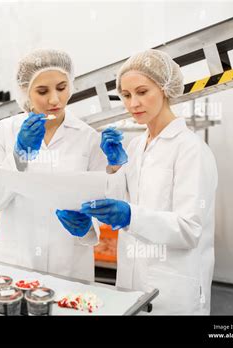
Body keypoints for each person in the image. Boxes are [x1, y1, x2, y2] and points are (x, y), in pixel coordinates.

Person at [58, 49, 218, 314]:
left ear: (165, 89)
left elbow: (190, 230)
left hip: (173, 290)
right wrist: (89, 222)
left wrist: (130, 215)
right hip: (131, 284)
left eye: (142, 92)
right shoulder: (134, 147)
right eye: (126, 95)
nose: (133, 103)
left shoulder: (191, 150)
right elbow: (122, 208)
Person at [0, 49, 107, 281]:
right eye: (43, 91)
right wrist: (18, 155)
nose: (54, 99)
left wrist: (87, 226)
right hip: (16, 263)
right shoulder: (5, 132)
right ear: (25, 92)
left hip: (69, 264)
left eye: (62, 87)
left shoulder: (88, 138)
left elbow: (100, 198)